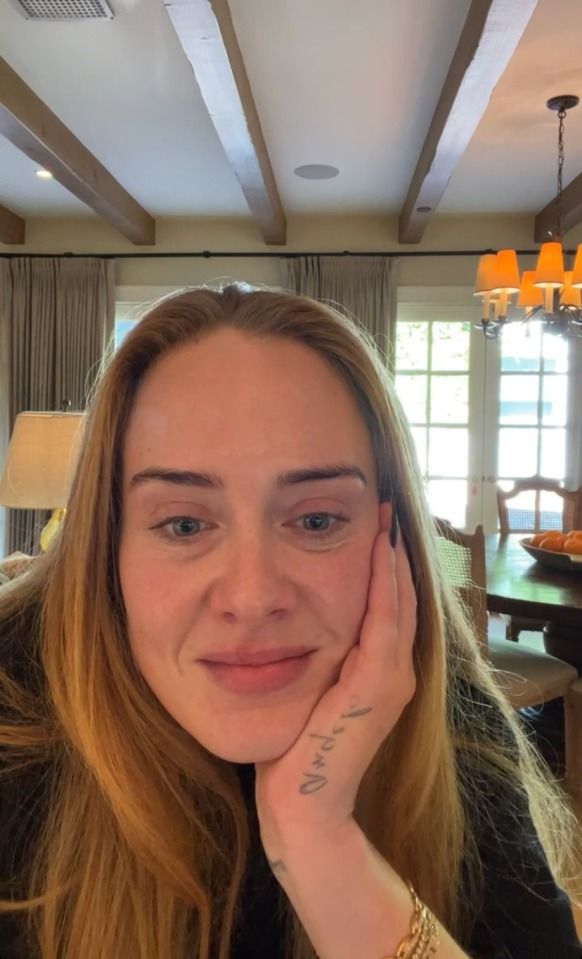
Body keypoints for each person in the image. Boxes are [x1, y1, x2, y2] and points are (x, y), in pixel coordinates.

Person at [0, 284, 580, 959]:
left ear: (392, 543)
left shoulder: (450, 724)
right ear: (107, 552)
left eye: (316, 520)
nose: (251, 596)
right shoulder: (15, 726)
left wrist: (317, 836)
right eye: (184, 523)